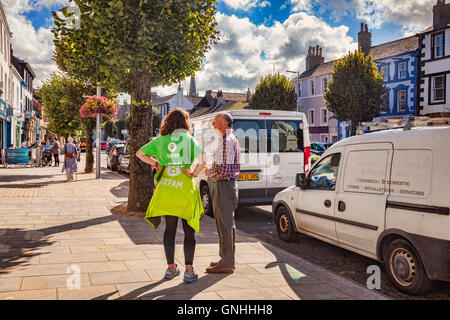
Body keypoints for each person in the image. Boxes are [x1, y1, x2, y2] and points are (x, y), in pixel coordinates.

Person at [136, 108, 206, 283]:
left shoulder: (160, 140)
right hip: (185, 189)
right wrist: (194, 173)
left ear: (167, 122)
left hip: (167, 189)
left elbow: (139, 153)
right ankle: (189, 271)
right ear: (185, 123)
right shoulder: (189, 139)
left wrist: (156, 163)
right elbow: (204, 160)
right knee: (189, 229)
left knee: (170, 229)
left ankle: (171, 268)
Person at [204, 112, 241, 274]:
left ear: (225, 123)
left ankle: (227, 263)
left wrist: (208, 172)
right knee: (225, 224)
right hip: (227, 185)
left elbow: (224, 170)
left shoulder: (227, 141)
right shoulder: (229, 139)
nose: (213, 124)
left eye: (216, 121)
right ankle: (225, 258)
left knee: (225, 225)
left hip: (224, 186)